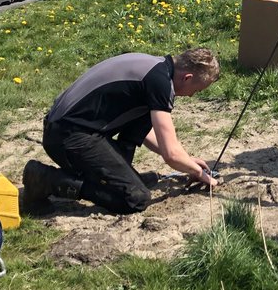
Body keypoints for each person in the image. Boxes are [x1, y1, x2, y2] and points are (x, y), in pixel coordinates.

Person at [22, 48, 221, 214]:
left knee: (141, 119)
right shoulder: (159, 83)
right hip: (68, 137)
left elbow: (145, 133)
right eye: (197, 90)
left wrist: (186, 159)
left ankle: (121, 178)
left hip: (67, 129)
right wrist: (197, 172)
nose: (193, 95)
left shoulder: (156, 67)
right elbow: (171, 155)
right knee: (135, 199)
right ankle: (48, 180)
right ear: (187, 77)